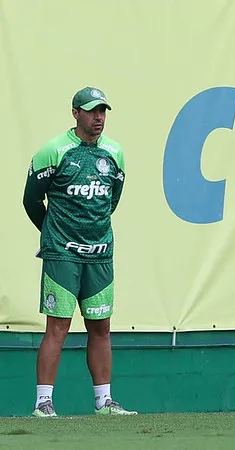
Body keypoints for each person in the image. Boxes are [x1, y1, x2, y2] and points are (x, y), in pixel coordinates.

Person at [23, 87, 136, 417]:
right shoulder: (53, 151)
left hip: (100, 254)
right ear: (76, 113)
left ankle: (104, 401)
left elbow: (111, 201)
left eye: (102, 111)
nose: (98, 117)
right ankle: (43, 403)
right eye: (92, 111)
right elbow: (31, 201)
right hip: (62, 254)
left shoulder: (115, 153)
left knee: (101, 327)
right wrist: (53, 234)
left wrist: (92, 230)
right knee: (58, 326)